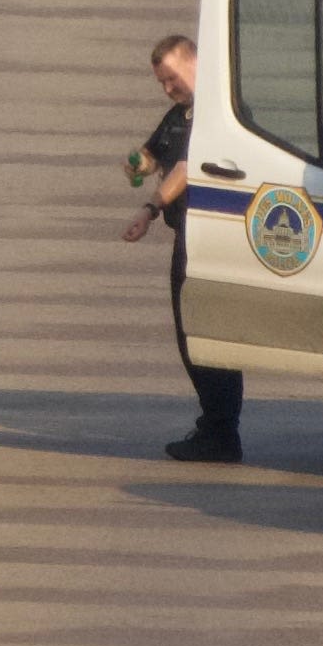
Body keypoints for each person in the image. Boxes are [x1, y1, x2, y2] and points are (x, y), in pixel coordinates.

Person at [123, 31, 245, 462]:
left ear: (194, 62)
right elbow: (157, 153)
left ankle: (221, 431)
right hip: (189, 234)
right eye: (162, 83)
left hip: (210, 231)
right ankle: (215, 425)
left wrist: (151, 206)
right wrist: (138, 162)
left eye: (172, 78)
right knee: (190, 334)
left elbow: (186, 167)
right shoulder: (181, 112)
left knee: (203, 331)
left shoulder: (214, 112)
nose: (168, 88)